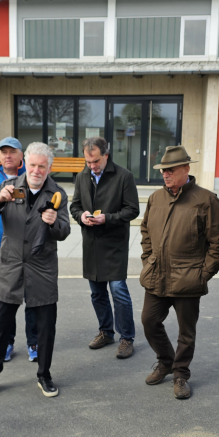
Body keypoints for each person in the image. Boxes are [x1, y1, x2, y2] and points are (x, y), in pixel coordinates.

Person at [0, 142, 71, 399]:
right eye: (33, 165)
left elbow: (64, 231)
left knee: (46, 327)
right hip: (11, 265)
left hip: (42, 268)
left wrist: (53, 223)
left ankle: (44, 374)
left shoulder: (57, 193)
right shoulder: (9, 187)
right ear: (25, 163)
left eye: (42, 166)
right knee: (0, 324)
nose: (36, 170)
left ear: (49, 168)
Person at [139, 146, 219, 400]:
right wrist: (148, 260)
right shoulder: (156, 198)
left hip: (189, 278)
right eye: (163, 170)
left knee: (186, 332)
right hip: (157, 274)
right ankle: (166, 361)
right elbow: (146, 232)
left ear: (186, 169)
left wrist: (203, 274)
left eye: (171, 170)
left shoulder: (205, 199)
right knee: (149, 321)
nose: (165, 174)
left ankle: (180, 374)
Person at [70, 136, 140, 358]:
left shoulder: (124, 176)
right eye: (88, 161)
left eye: (96, 161)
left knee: (119, 292)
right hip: (91, 245)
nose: (91, 166)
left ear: (106, 156)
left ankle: (127, 338)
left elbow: (133, 210)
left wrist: (107, 218)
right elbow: (74, 206)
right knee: (97, 294)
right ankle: (106, 332)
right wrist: (81, 216)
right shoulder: (82, 176)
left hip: (114, 244)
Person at [0, 137, 39, 364]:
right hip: (3, 249)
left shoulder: (30, 174)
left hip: (30, 248)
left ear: (21, 156)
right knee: (8, 298)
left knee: (31, 297)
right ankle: (8, 342)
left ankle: (34, 342)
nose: (8, 156)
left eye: (12, 152)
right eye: (4, 152)